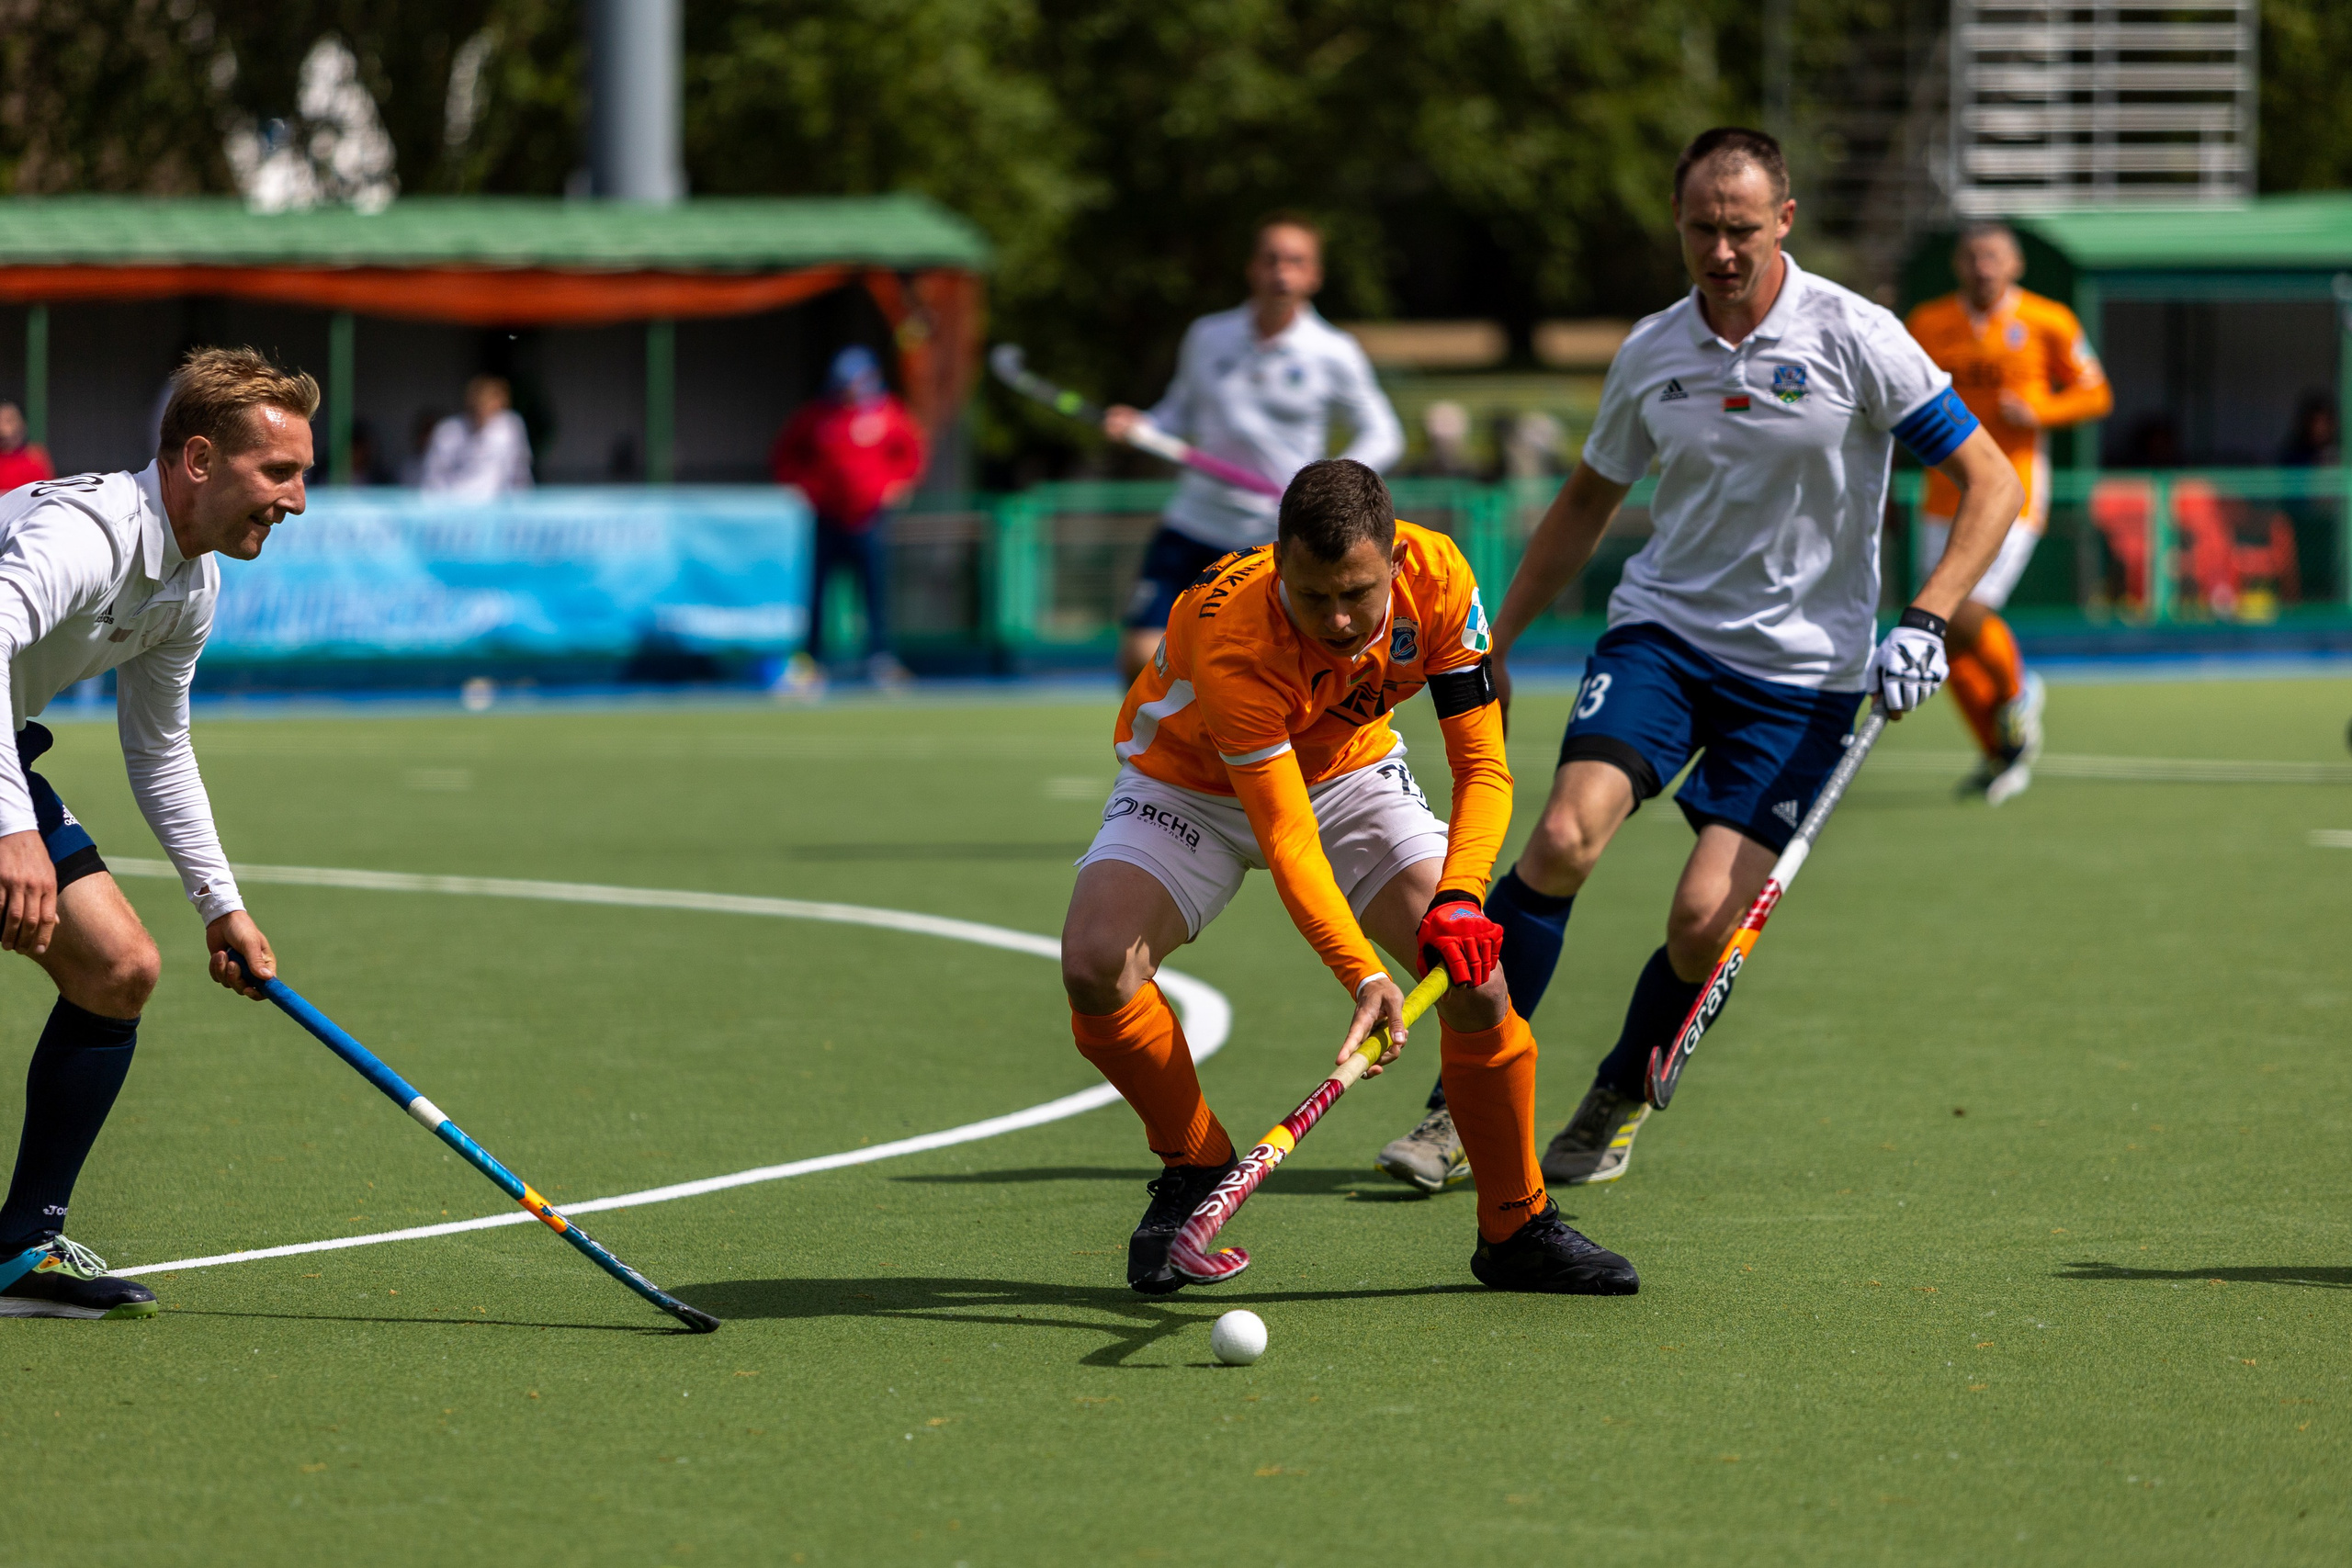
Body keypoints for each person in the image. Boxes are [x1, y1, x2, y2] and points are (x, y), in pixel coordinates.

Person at [1373, 127, 2021, 1194]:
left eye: (1739, 229)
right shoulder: (1652, 350)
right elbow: (1587, 500)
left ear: (1783, 222)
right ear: (1676, 225)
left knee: (1698, 921)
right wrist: (1492, 646)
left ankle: (1618, 1092)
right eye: (1699, 230)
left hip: (1806, 683)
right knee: (1562, 837)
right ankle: (1463, 1102)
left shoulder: (1858, 336)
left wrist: (1927, 617)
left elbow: (1991, 482)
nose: (1719, 252)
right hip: (1663, 639)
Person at [1062, 457, 1637, 1297]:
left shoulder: (1441, 579)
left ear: (1396, 560)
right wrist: (1361, 972)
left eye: (1357, 593)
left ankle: (1516, 1224)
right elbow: (1286, 833)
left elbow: (1483, 763)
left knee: (1480, 986)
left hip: (1349, 774)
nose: (1335, 619)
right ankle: (1193, 1164)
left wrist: (1460, 896)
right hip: (1191, 783)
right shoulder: (1233, 632)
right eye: (1312, 594)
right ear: (1279, 561)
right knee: (1095, 963)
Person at [0, 345, 302, 1318]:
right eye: (278, 473)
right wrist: (12, 830)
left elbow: (159, 751)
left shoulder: (190, 582)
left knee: (117, 969)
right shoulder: (86, 533)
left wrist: (222, 904)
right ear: (200, 459)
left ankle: (19, 1252)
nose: (295, 502)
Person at [1103, 217, 1403, 683]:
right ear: (1252, 269)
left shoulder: (1333, 351)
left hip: (1271, 538)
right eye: (1271, 259)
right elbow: (1178, 412)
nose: (1282, 272)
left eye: (1296, 261)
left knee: (1261, 673)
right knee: (1141, 657)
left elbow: (1385, 433)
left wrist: (1329, 486)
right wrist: (1140, 425)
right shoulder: (1208, 336)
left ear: (1314, 275)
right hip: (1194, 521)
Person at [1904, 223, 2110, 805]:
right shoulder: (1928, 322)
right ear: (1956, 265)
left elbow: (2096, 393)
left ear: (2015, 265)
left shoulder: (2050, 322)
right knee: (1941, 640)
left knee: (1964, 609)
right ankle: (2001, 753)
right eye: (1971, 256)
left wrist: (2041, 408)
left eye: (1993, 256)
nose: (1982, 266)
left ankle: (2019, 694)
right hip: (1941, 496)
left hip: (2011, 494)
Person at [768, 344, 926, 693]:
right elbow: (786, 455)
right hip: (827, 519)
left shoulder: (888, 414)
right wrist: (806, 489)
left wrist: (896, 485)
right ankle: (810, 664)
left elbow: (911, 455)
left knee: (875, 593)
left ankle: (880, 661)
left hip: (869, 520)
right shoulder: (817, 416)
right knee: (817, 595)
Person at [420, 375, 534, 499]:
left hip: (496, 507)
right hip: (455, 505)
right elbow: (433, 476)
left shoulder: (510, 428)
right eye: (479, 402)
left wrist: (521, 502)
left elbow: (520, 472)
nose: (483, 408)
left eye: (489, 402)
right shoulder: (449, 431)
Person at [0, 401, 53, 493]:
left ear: (22, 424)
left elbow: (45, 494)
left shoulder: (35, 457)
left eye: (9, 420)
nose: (3, 427)